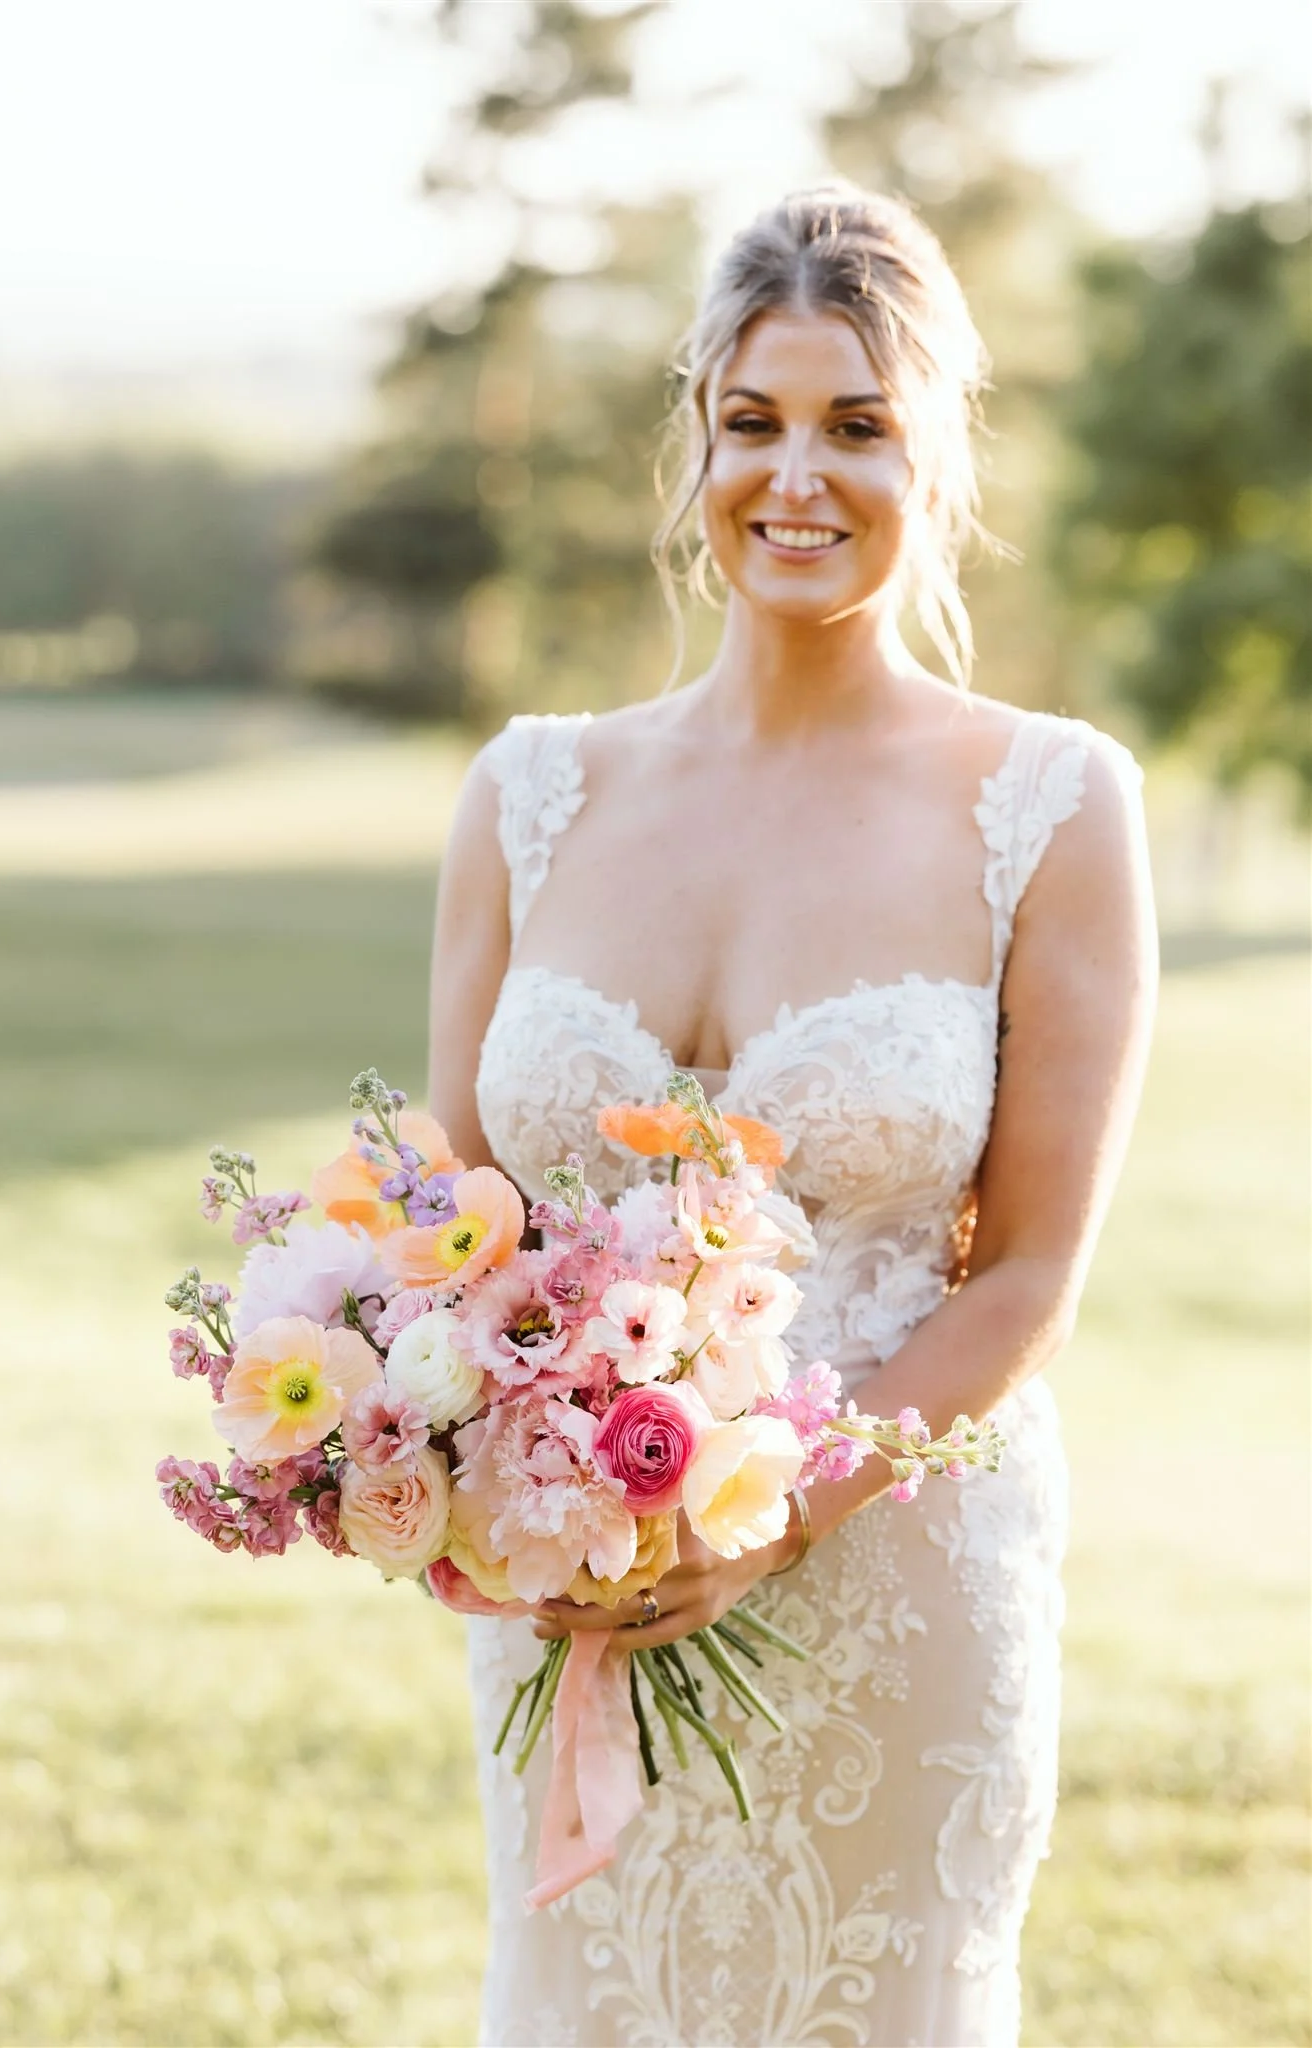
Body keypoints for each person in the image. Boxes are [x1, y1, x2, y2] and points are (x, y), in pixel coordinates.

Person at [426, 184, 1156, 2048]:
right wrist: (456, 1461)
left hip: (900, 1583)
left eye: (857, 425)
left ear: (938, 456)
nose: (797, 478)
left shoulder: (1054, 809)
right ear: (697, 444)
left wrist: (774, 1516)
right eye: (753, 421)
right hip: (583, 1588)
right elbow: (460, 1218)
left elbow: (1031, 1272)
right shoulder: (532, 796)